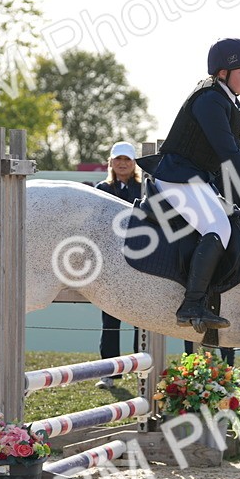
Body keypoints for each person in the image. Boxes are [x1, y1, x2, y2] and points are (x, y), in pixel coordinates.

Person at [151, 38, 240, 331]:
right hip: (178, 176)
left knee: (232, 220)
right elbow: (228, 152)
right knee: (217, 227)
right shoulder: (209, 100)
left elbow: (234, 154)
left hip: (197, 178)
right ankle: (192, 303)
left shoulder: (227, 101)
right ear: (223, 73)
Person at [95, 142, 143, 388]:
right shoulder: (101, 189)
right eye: (118, 159)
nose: (122, 163)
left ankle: (141, 370)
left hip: (139, 262)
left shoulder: (144, 189)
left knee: (141, 321)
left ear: (134, 163)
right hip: (108, 266)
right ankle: (109, 373)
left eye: (127, 159)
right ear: (110, 162)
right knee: (110, 321)